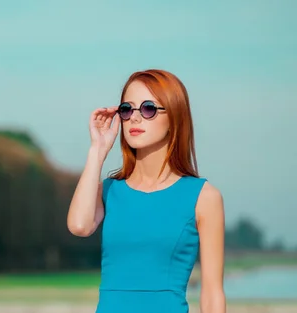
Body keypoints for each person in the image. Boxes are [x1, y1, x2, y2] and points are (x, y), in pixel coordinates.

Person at [67, 69, 226, 313]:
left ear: (174, 117)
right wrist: (97, 151)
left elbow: (212, 294)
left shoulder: (203, 197)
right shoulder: (108, 192)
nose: (135, 118)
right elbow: (79, 226)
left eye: (149, 108)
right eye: (127, 109)